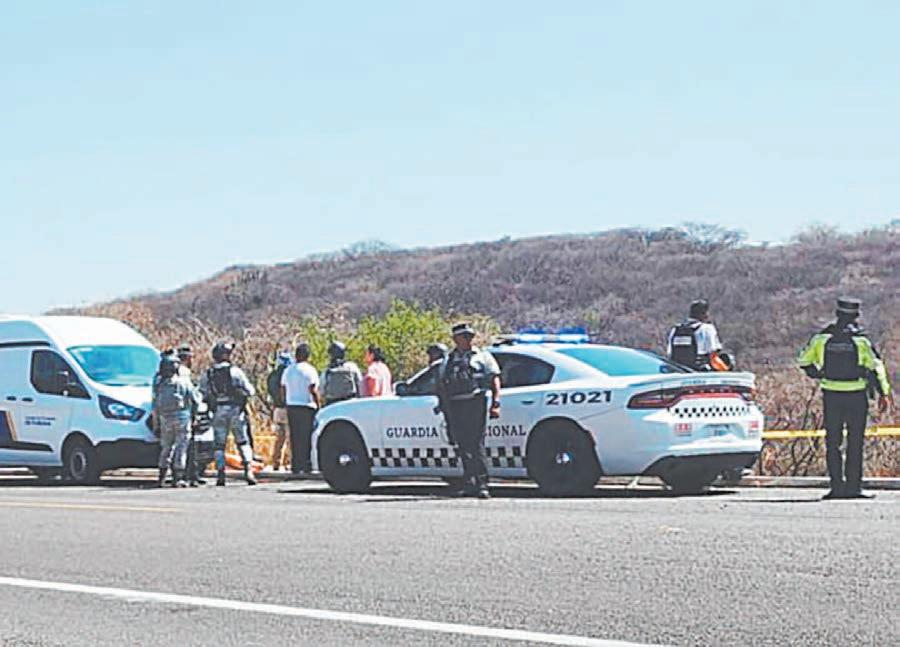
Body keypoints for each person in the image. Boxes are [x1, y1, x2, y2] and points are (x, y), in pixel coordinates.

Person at [798, 298, 892, 500]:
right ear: (856, 316)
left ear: (837, 314)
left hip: (831, 394)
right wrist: (884, 393)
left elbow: (804, 360)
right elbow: (876, 368)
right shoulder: (861, 341)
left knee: (833, 442)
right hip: (856, 395)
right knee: (855, 442)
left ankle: (836, 488)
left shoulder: (821, 338)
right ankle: (854, 488)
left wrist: (820, 374)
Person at [436, 323, 501, 499]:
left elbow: (495, 379)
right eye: (464, 336)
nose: (468, 339)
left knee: (476, 444)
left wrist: (496, 403)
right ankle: (469, 483)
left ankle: (482, 484)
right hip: (455, 404)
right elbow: (441, 384)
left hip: (475, 402)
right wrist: (444, 407)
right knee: (463, 445)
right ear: (455, 339)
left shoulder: (482, 357)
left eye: (470, 336)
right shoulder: (448, 360)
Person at [199, 342, 257, 486]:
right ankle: (248, 470)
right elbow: (250, 391)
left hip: (218, 411)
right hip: (236, 410)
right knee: (242, 441)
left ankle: (221, 473)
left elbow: (202, 393)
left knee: (219, 445)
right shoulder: (236, 372)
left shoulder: (208, 374)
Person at [152, 353, 200, 488]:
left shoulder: (159, 385)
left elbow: (155, 405)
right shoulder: (183, 382)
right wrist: (194, 416)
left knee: (166, 447)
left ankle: (161, 477)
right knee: (181, 447)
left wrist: (156, 424)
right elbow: (195, 400)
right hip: (182, 418)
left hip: (165, 418)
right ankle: (177, 477)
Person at [281, 343, 321, 476]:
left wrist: (285, 401)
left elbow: (283, 387)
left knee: (294, 436)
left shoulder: (288, 370)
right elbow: (312, 389)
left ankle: (296, 464)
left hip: (292, 406)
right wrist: (318, 404)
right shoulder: (310, 370)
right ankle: (306, 464)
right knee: (306, 436)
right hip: (307, 406)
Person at [667, 299, 730, 371]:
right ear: (704, 314)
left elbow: (669, 354)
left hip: (678, 372)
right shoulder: (707, 329)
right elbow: (713, 356)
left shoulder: (675, 330)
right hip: (699, 373)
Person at [266, 351, 292, 471]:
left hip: (276, 408)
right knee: (290, 437)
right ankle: (290, 462)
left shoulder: (272, 376)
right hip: (287, 408)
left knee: (279, 438)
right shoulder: (288, 374)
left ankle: (276, 462)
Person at [320, 341, 363, 406]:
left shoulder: (326, 371)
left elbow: (322, 391)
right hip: (350, 402)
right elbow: (360, 383)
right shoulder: (352, 367)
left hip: (332, 405)